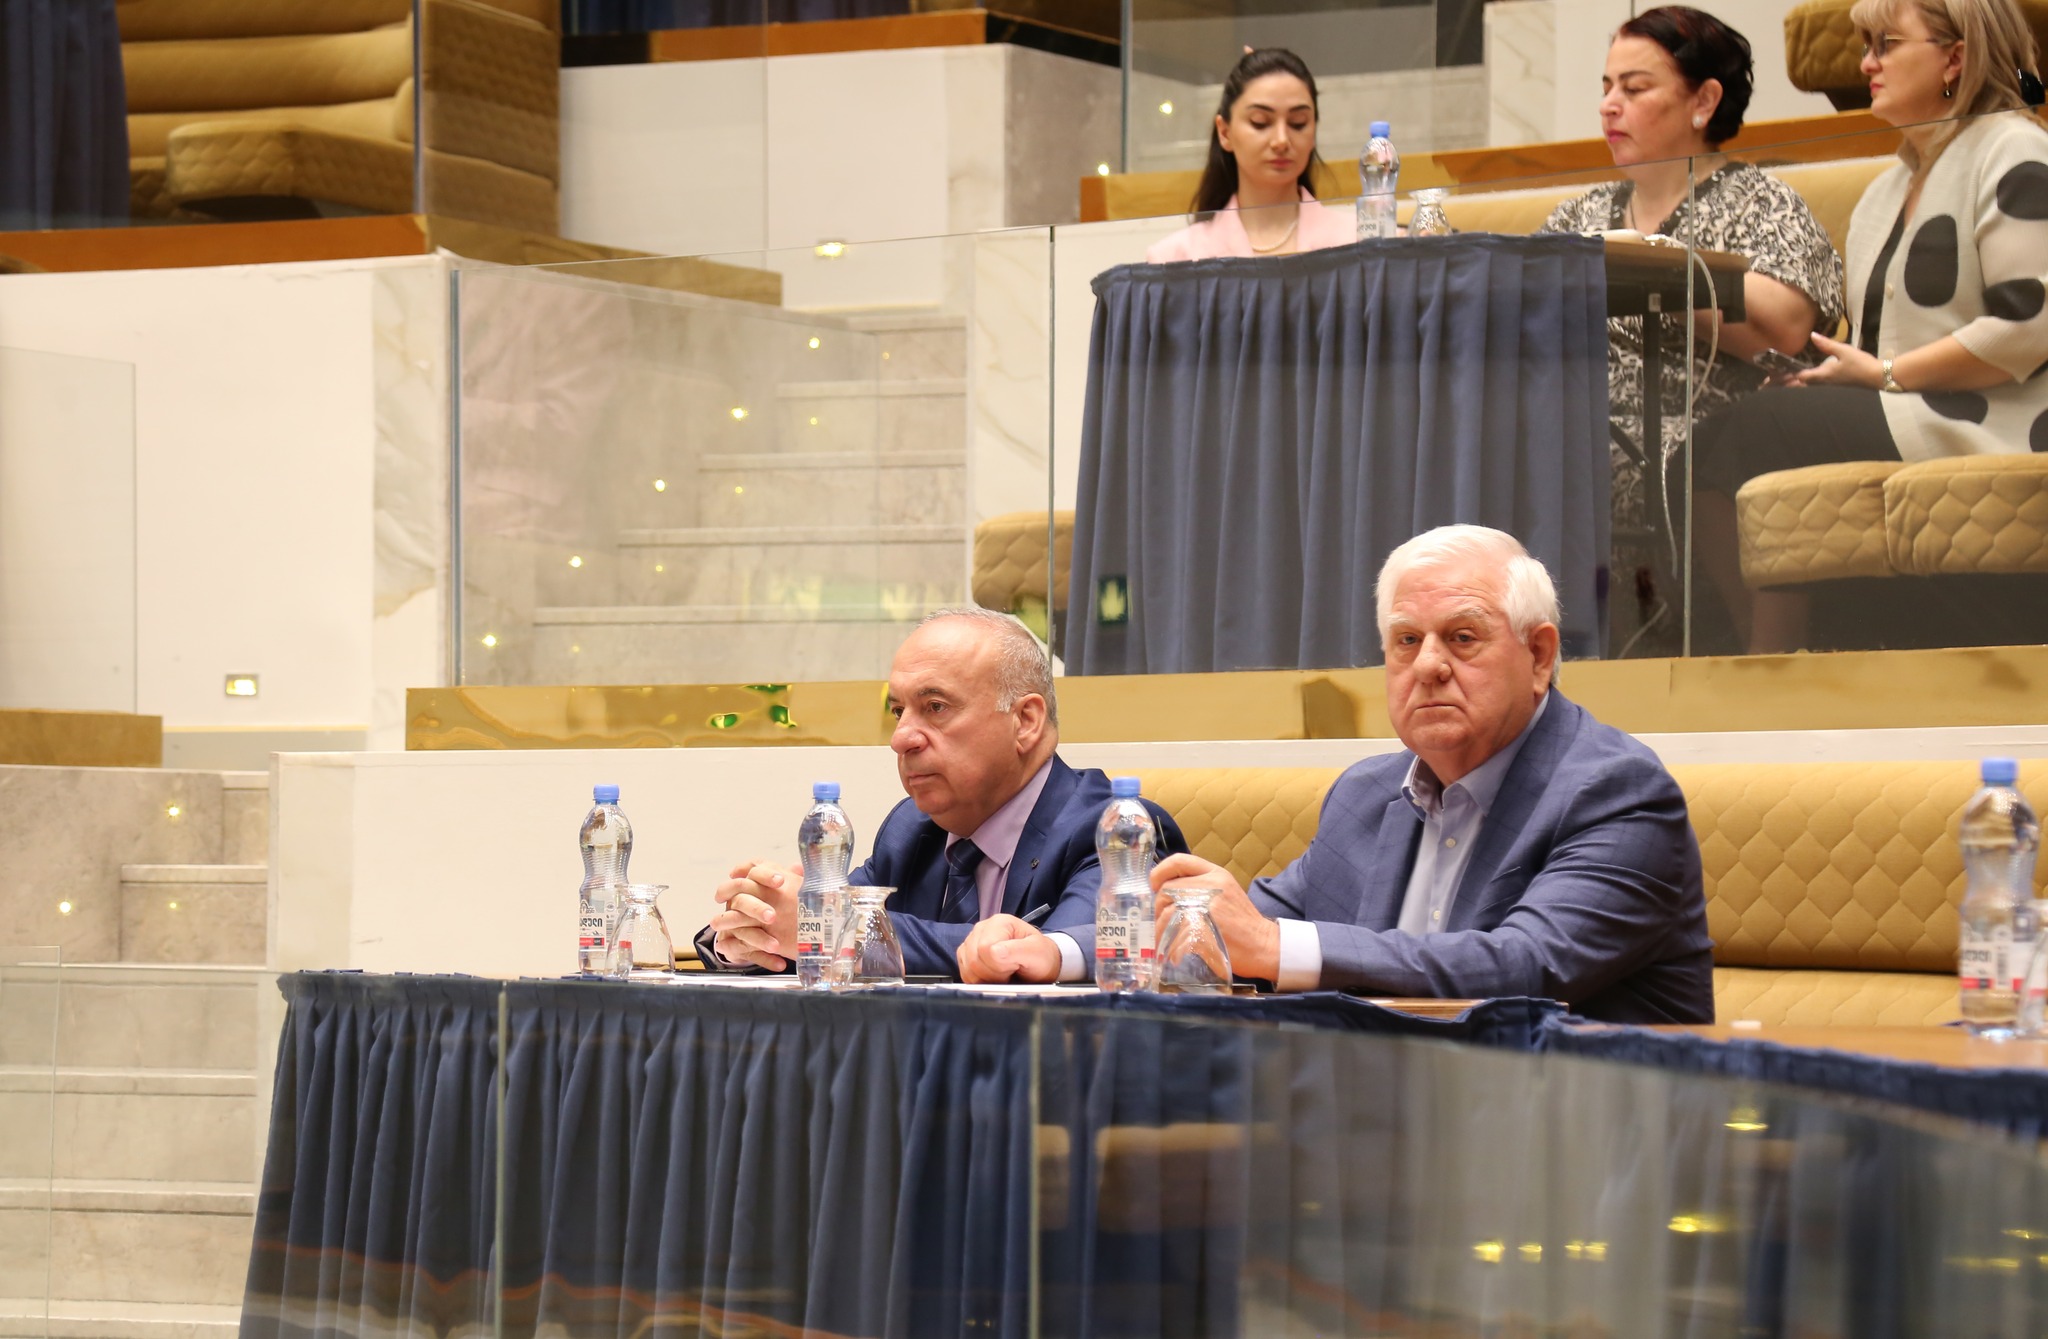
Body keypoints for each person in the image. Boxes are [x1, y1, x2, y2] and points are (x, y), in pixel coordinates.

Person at [958, 526, 1714, 1024]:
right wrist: (1057, 953)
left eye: (1462, 638)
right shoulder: (1369, 794)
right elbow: (1233, 926)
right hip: (1382, 1131)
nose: (1428, 666)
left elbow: (1522, 968)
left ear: (1540, 655)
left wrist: (1273, 948)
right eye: (1406, 641)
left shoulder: (1614, 793)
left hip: (1582, 1148)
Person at [1692, 0, 2048, 652]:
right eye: (1864, 46)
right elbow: (1873, 346)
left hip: (1996, 424)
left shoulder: (2015, 148)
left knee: (1755, 432)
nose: (1866, 64)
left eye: (1886, 44)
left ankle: (1774, 662)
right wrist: (1830, 378)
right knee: (1697, 451)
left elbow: (2030, 324)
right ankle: (1767, 654)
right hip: (1904, 407)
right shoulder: (1884, 192)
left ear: (1955, 57)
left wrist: (1885, 374)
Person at [1539, 6, 1845, 654]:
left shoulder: (1759, 202)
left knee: (1669, 458)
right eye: (1606, 87)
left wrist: (1654, 269)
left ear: (1703, 101)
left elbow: (1787, 327)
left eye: (1634, 88)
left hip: (1699, 429)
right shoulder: (1578, 214)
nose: (1609, 105)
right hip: (1572, 424)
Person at [697, 608, 1186, 978]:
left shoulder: (1113, 831)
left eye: (935, 707)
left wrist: (830, 927)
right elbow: (827, 932)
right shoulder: (911, 830)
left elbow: (1071, 953)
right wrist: (754, 930)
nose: (901, 739)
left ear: (1025, 721)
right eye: (898, 712)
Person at [1145, 48, 1358, 263]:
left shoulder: (1358, 243)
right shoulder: (1175, 258)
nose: (1281, 140)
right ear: (1225, 132)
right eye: (1260, 122)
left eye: (1298, 123)